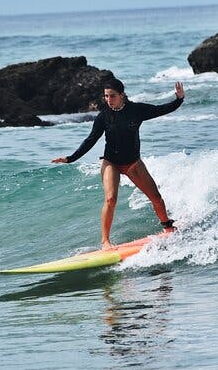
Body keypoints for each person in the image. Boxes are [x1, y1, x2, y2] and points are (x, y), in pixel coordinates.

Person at [52, 78, 185, 249]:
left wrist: (179, 99)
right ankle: (105, 241)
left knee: (156, 198)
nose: (108, 100)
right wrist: (71, 158)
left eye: (112, 96)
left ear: (122, 95)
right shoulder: (103, 116)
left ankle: (167, 227)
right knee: (110, 199)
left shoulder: (136, 110)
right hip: (111, 163)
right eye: (106, 96)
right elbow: (91, 140)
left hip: (133, 163)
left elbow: (162, 109)